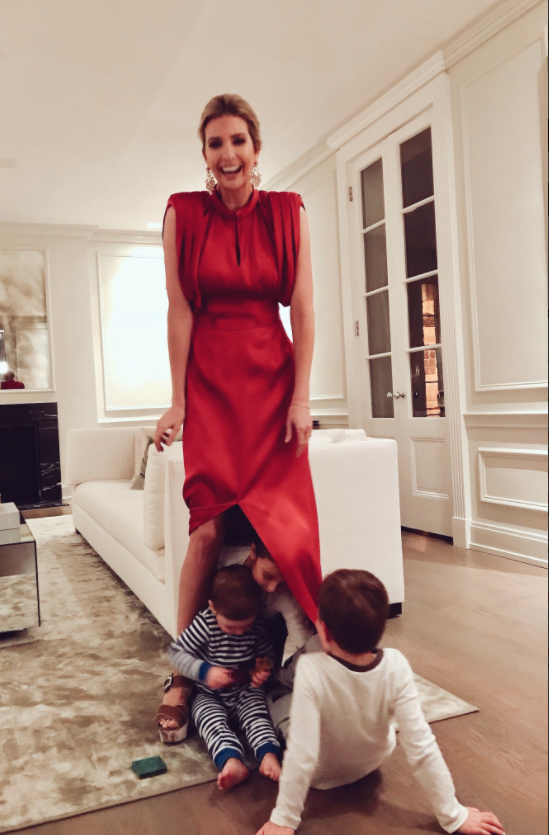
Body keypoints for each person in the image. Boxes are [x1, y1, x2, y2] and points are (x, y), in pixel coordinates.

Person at [154, 93, 322, 742]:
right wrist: (179, 399)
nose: (228, 155)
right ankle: (180, 672)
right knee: (204, 529)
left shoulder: (288, 210)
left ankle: (309, 661)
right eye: (215, 144)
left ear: (256, 151)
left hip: (272, 381)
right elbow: (179, 310)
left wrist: (302, 398)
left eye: (238, 142)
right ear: (205, 155)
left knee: (291, 532)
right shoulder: (182, 212)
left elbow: (303, 310)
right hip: (212, 384)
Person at [255, 570, 507, 835]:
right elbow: (422, 746)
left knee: (275, 694)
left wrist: (284, 819)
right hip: (371, 761)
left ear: (324, 631)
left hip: (321, 775)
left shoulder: (310, 669)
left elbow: (302, 754)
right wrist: (453, 815)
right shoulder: (396, 665)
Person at [169, 565, 282, 790]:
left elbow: (266, 652)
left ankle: (268, 754)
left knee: (259, 716)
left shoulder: (257, 624)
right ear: (213, 608)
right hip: (210, 694)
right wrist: (205, 672)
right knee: (208, 721)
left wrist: (263, 667)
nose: (240, 632)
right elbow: (176, 652)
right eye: (231, 627)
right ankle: (232, 761)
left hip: (245, 690)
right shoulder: (205, 624)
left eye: (245, 626)